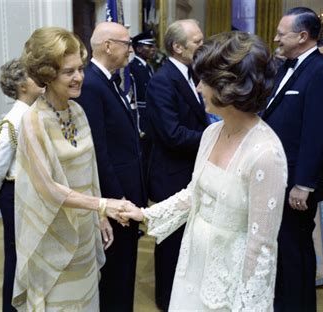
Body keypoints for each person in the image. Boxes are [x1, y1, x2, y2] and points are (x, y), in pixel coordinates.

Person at [121, 31, 287, 311]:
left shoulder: (265, 154)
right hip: (194, 264)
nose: (198, 88)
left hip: (229, 281)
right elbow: (194, 194)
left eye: (205, 81)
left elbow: (261, 250)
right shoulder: (211, 133)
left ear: (229, 88)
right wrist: (145, 214)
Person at [11, 26, 135, 311]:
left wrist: (99, 217)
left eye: (80, 68)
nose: (80, 76)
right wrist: (104, 205)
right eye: (69, 72)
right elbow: (49, 190)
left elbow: (90, 170)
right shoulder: (33, 121)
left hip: (84, 231)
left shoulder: (77, 111)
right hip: (53, 235)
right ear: (47, 74)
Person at [262, 7, 323, 311]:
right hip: (277, 177)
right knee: (284, 250)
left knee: (294, 251)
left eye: (282, 34)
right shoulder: (286, 67)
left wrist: (304, 183)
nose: (276, 38)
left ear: (302, 36)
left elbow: (318, 133)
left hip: (296, 182)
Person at [75, 22, 147, 311]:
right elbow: (99, 153)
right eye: (126, 43)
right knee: (116, 274)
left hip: (125, 197)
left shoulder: (108, 80)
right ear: (108, 45)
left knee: (126, 268)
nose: (131, 49)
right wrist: (117, 202)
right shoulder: (92, 84)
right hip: (116, 201)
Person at [145, 19, 207, 310]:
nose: (202, 45)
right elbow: (171, 134)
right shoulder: (162, 81)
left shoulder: (192, 73)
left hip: (190, 172)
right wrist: (214, 137)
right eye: (197, 41)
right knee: (170, 246)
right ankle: (166, 301)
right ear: (178, 47)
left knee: (188, 243)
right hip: (171, 176)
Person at [0, 58, 43, 312]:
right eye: (33, 76)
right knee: (16, 254)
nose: (40, 80)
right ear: (21, 85)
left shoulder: (35, 113)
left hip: (32, 192)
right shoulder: (14, 119)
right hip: (15, 193)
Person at [129, 30, 157, 177]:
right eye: (149, 46)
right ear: (138, 48)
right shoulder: (133, 68)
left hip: (150, 119)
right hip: (143, 121)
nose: (153, 49)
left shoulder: (148, 67)